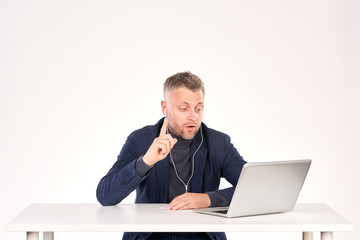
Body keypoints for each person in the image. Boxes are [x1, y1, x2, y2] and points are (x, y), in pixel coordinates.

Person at [96, 71, 247, 240]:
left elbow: (252, 189)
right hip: (150, 237)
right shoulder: (140, 140)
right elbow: (105, 196)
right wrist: (146, 162)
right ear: (164, 108)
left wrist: (208, 199)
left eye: (199, 108)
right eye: (184, 108)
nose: (193, 116)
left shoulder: (219, 143)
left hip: (201, 236)